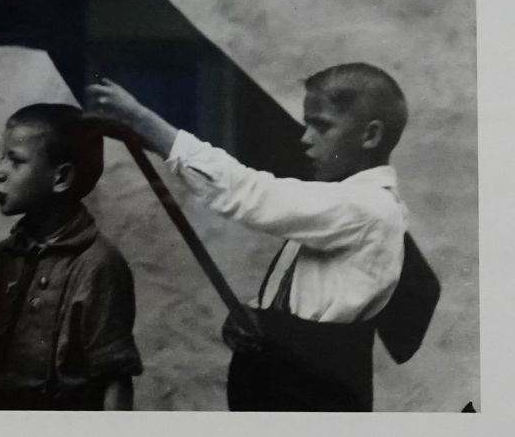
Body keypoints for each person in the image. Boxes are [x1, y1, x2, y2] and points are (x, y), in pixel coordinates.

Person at [86, 63, 410, 411]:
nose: (305, 138)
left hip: (314, 400)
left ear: (370, 136)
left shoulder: (367, 207)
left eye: (321, 126)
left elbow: (249, 192)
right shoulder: (341, 200)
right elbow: (300, 301)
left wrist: (139, 117)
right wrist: (257, 321)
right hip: (286, 389)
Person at [0, 104, 143, 410]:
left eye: (15, 161)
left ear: (61, 177)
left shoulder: (98, 264)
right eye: (1, 157)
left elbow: (114, 377)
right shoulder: (2, 257)